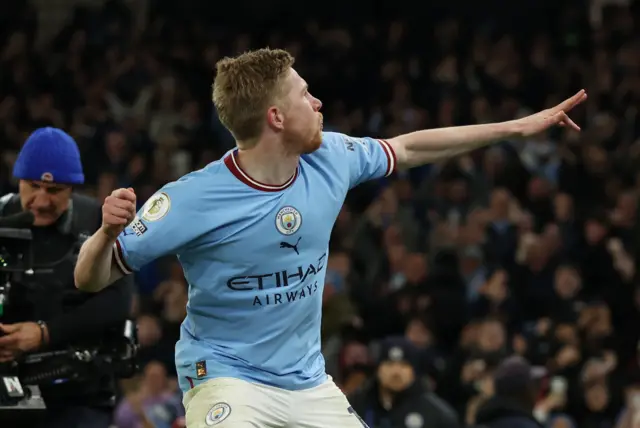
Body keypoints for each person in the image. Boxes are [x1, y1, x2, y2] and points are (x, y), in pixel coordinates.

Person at [74, 48, 586, 427]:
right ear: (276, 117)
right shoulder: (191, 199)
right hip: (225, 376)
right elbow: (90, 277)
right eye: (304, 94)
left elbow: (407, 149)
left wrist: (516, 127)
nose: (317, 101)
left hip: (307, 381)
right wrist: (104, 234)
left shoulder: (330, 157)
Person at [0, 127, 134, 428]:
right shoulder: (1, 217)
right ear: (18, 180)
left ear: (72, 189)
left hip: (79, 395)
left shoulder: (98, 222)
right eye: (32, 187)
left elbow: (119, 301)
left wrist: (44, 333)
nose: (42, 200)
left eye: (55, 190)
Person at [349, 337, 460, 428]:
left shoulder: (437, 414)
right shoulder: (354, 407)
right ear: (377, 369)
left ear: (414, 371)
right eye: (389, 364)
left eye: (404, 365)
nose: (396, 372)